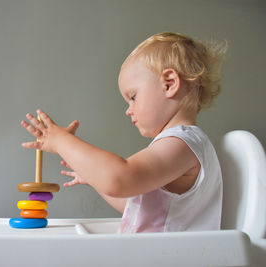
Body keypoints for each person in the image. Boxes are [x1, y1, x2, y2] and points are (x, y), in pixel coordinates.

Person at [20, 32, 227, 233]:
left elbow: (119, 179)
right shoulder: (178, 144)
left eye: (133, 97)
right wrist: (93, 177)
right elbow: (137, 205)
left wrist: (61, 141)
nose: (128, 110)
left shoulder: (184, 143)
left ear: (169, 83)